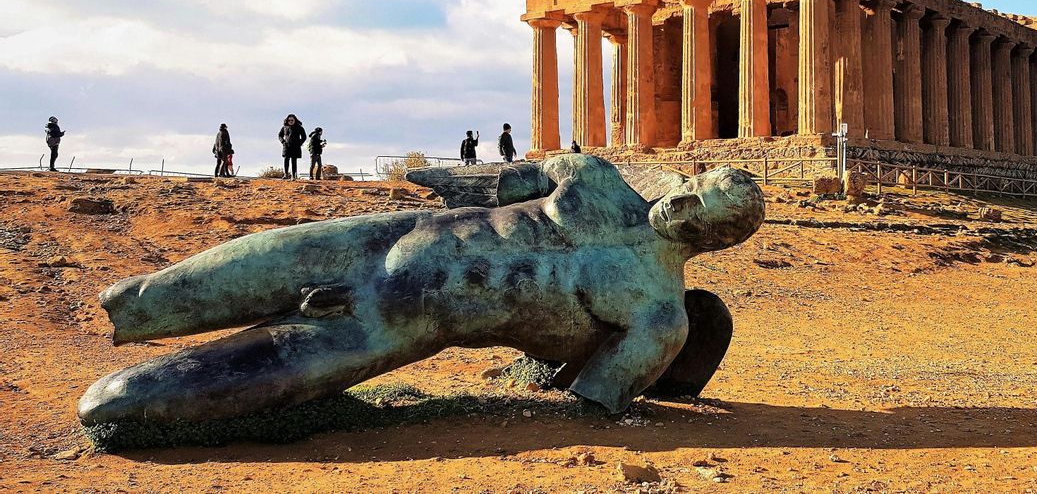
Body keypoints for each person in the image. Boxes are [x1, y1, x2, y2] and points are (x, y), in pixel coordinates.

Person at [79, 155, 766, 425]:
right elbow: (505, 180)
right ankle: (136, 315)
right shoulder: (593, 177)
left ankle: (128, 414)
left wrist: (585, 384)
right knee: (146, 296)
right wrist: (444, 179)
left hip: (405, 323)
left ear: (719, 240)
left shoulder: (659, 316)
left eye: (701, 217)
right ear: (683, 179)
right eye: (689, 192)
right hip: (389, 235)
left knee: (121, 404)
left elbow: (590, 400)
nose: (680, 210)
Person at [278, 114, 307, 180]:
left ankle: (294, 175)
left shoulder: (299, 127)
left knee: (294, 160)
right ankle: (286, 174)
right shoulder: (285, 127)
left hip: (295, 146)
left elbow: (304, 137)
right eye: (289, 120)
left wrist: (299, 143)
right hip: (287, 146)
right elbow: (280, 135)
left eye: (292, 120)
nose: (290, 121)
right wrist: (283, 142)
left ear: (295, 120)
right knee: (286, 159)